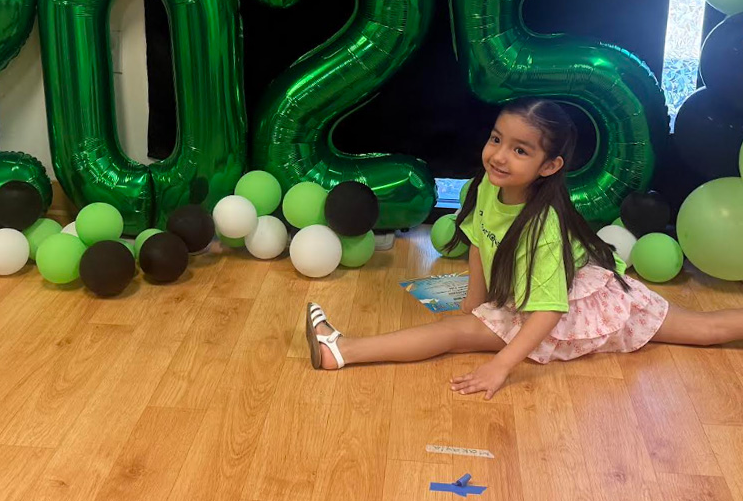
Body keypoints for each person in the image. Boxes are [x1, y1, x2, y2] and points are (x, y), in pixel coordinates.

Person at [305, 97, 743, 399]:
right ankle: (342, 349)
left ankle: (341, 350)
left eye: (519, 150)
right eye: (496, 139)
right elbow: (479, 241)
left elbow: (549, 311)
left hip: (582, 307)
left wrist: (500, 365)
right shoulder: (486, 185)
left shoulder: (543, 227)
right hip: (553, 292)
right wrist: (474, 305)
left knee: (703, 330)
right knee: (461, 328)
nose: (499, 156)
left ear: (549, 166)